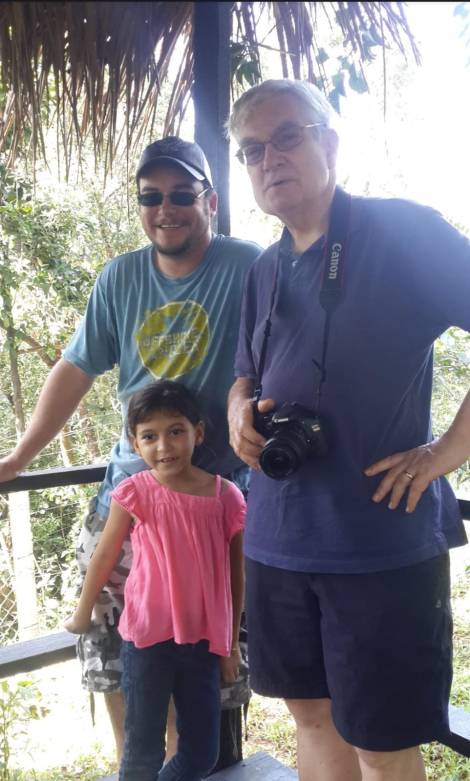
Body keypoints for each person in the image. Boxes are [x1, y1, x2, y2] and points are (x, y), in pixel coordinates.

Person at [226, 78, 470, 781]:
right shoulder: (264, 267)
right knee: (309, 718)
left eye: (287, 137)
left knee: (382, 744)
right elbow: (244, 376)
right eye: (252, 150)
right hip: (278, 538)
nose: (270, 158)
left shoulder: (402, 232)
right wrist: (239, 410)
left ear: (329, 143)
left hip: (378, 542)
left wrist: (448, 450)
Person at [0, 136, 261, 762]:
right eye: (151, 197)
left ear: (210, 201)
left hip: (213, 505)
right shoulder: (120, 277)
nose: (165, 209)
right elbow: (75, 368)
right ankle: (136, 766)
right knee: (114, 652)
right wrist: (18, 458)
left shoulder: (250, 267)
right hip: (129, 499)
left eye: (181, 195)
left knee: (208, 652)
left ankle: (188, 763)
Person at [65, 379, 246, 781]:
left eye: (176, 431)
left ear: (198, 432)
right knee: (142, 752)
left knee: (201, 754)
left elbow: (235, 576)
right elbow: (103, 557)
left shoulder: (226, 497)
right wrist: (81, 612)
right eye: (150, 436)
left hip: (203, 644)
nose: (164, 446)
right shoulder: (135, 492)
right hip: (146, 641)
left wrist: (230, 645)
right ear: (135, 443)